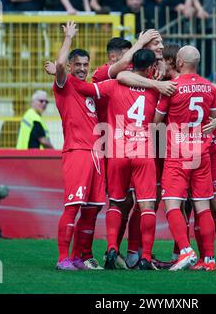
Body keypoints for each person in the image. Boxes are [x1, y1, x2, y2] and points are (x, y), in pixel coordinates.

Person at [73, 49, 176, 270]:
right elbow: (158, 123)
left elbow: (86, 88)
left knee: (116, 203)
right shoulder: (157, 91)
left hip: (118, 152)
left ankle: (112, 248)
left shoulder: (114, 85)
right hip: (143, 152)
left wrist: (61, 75)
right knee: (147, 205)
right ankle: (146, 256)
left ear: (131, 65)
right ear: (150, 68)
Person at [154, 46, 216, 271]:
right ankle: (209, 259)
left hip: (178, 154)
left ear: (179, 62)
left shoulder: (172, 88)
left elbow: (156, 121)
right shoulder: (209, 87)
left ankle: (185, 250)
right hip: (201, 153)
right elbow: (214, 117)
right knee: (202, 206)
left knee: (172, 203)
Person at [52, 21, 106, 271]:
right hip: (77, 152)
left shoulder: (87, 88)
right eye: (78, 65)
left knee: (92, 209)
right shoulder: (64, 85)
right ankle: (63, 258)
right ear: (72, 67)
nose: (83, 69)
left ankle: (76, 257)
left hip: (96, 155)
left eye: (86, 65)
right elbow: (60, 65)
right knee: (73, 205)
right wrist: (68, 38)